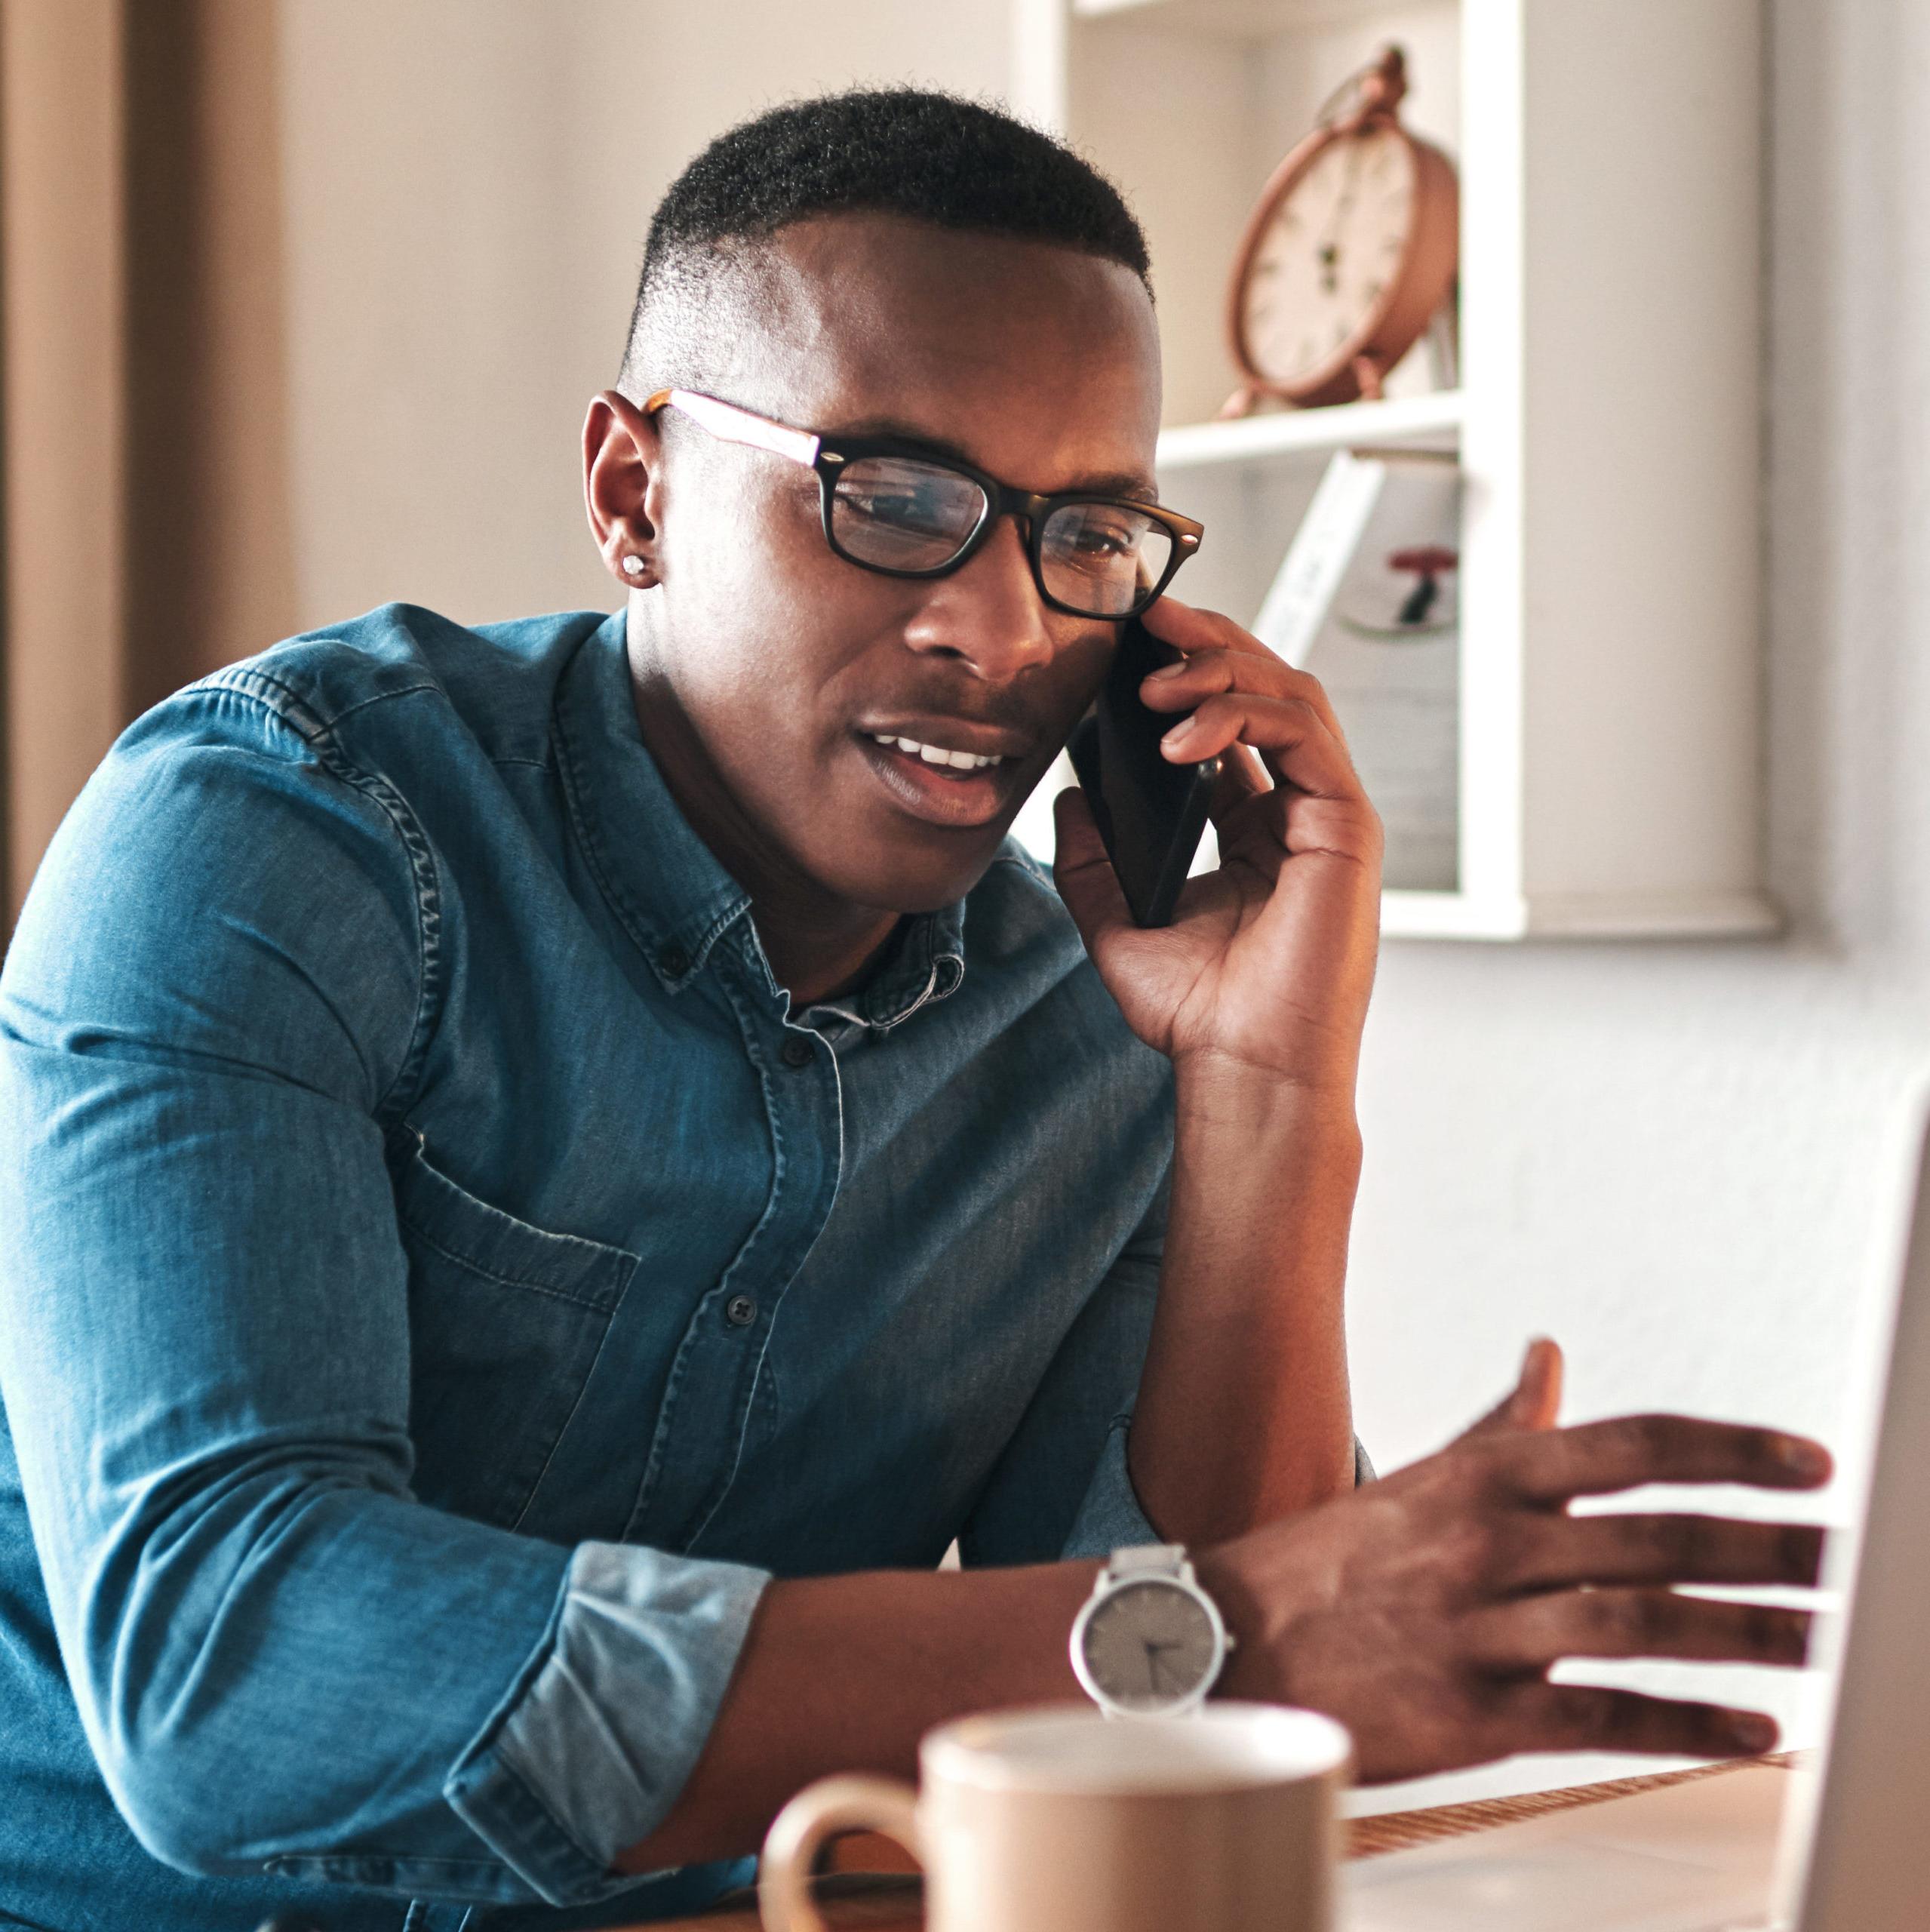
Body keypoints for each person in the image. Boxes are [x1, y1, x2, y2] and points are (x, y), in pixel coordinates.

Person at [0, 89, 1827, 1932]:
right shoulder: (275, 837)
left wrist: (1273, 1093)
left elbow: (1212, 1736)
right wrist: (1232, 1630)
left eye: (1089, 531)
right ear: (635, 492)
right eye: (890, 501)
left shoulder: (1087, 1017)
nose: (1008, 628)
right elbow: (223, 1673)